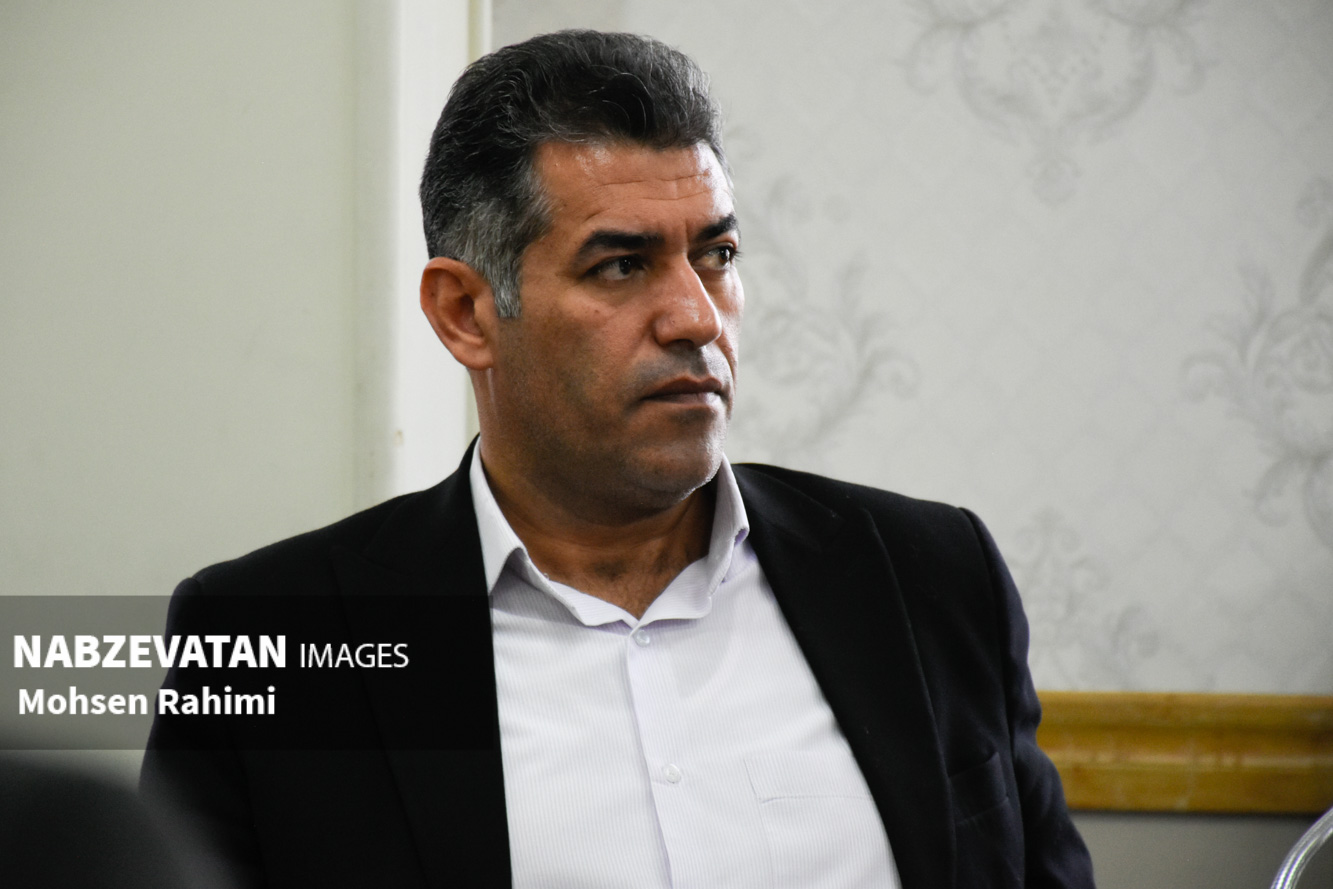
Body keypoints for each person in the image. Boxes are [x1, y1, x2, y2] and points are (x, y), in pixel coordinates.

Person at [141, 29, 1096, 889]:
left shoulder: (930, 576)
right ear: (465, 313)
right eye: (620, 265)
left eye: (716, 255)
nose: (694, 317)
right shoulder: (271, 635)